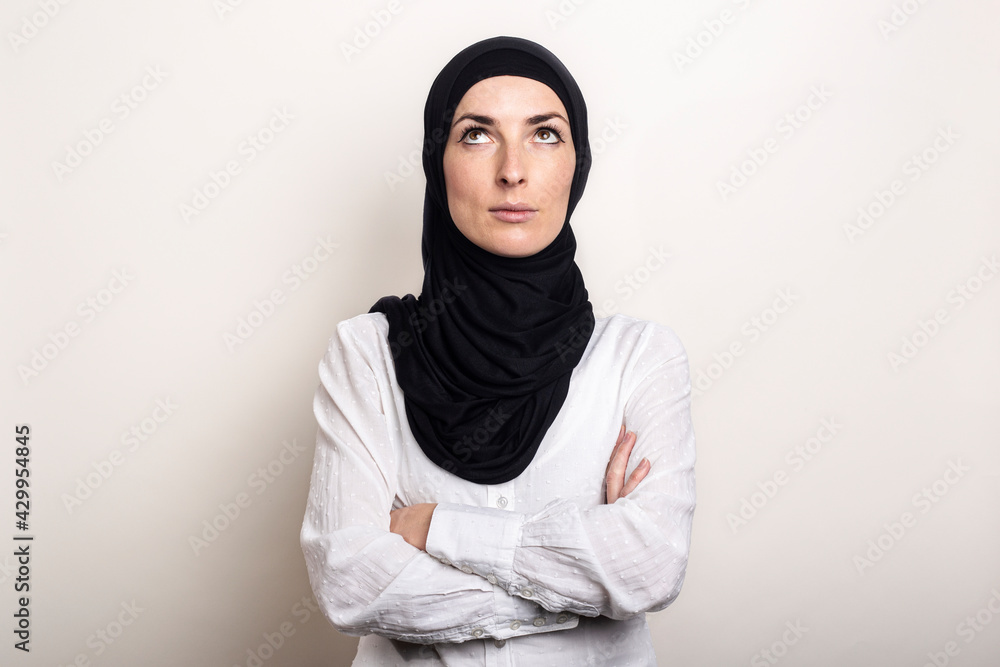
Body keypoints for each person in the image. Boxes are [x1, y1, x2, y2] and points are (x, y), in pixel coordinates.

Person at [300, 35, 696, 666]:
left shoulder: (640, 358)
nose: (513, 170)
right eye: (477, 135)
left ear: (578, 164)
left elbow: (651, 566)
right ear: (437, 161)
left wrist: (435, 528)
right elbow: (349, 582)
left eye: (545, 134)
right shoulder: (367, 353)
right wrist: (581, 588)